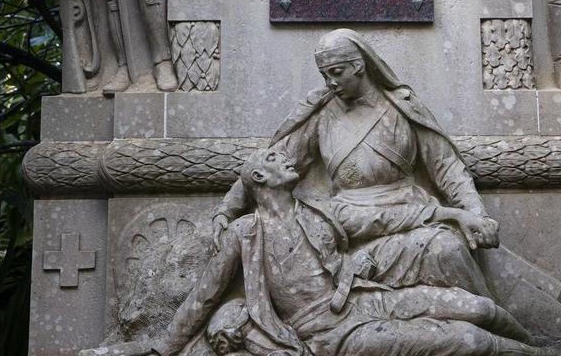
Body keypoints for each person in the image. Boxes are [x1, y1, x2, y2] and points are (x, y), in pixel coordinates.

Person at [98, 147, 561, 356]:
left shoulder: (321, 209)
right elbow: (203, 299)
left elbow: (388, 220)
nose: (289, 160)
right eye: (278, 159)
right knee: (467, 341)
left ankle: (548, 346)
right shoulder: (244, 234)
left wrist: (451, 213)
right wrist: (160, 350)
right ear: (260, 175)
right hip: (330, 336)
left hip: (367, 298)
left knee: (477, 306)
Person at [211, 29, 499, 295]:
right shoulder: (321, 113)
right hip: (346, 226)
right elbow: (269, 164)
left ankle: (487, 330)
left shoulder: (402, 106)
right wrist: (227, 210)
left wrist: (476, 213)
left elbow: (447, 167)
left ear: (359, 66)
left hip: (409, 212)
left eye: (336, 73)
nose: (330, 83)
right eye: (325, 76)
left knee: (448, 249)